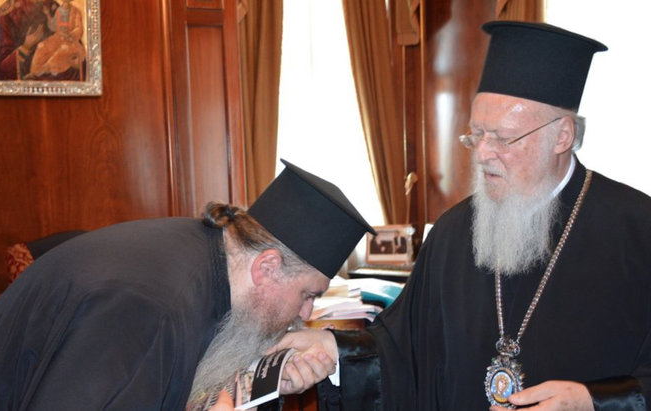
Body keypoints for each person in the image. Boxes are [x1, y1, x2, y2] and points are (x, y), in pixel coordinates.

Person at [274, 21, 651, 410]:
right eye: (476, 134)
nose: (483, 153)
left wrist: (594, 402)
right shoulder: (453, 232)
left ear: (562, 136)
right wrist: (333, 350)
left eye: (503, 138)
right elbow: (402, 348)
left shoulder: (639, 231)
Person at [0, 159, 375, 410]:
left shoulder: (206, 254)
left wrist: (265, 382)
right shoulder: (150, 309)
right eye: (308, 296)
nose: (306, 315)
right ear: (267, 267)